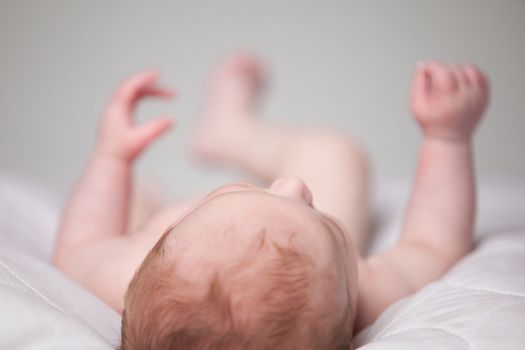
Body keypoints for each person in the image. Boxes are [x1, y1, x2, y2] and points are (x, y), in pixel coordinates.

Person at [52, 54, 490, 349]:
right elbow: (433, 245)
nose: (292, 184)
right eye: (323, 219)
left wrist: (112, 158)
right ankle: (231, 129)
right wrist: (447, 138)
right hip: (258, 236)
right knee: (337, 155)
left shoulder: (122, 276)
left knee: (135, 197)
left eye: (240, 190)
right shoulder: (355, 289)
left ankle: (220, 135)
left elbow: (80, 243)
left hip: (161, 231)